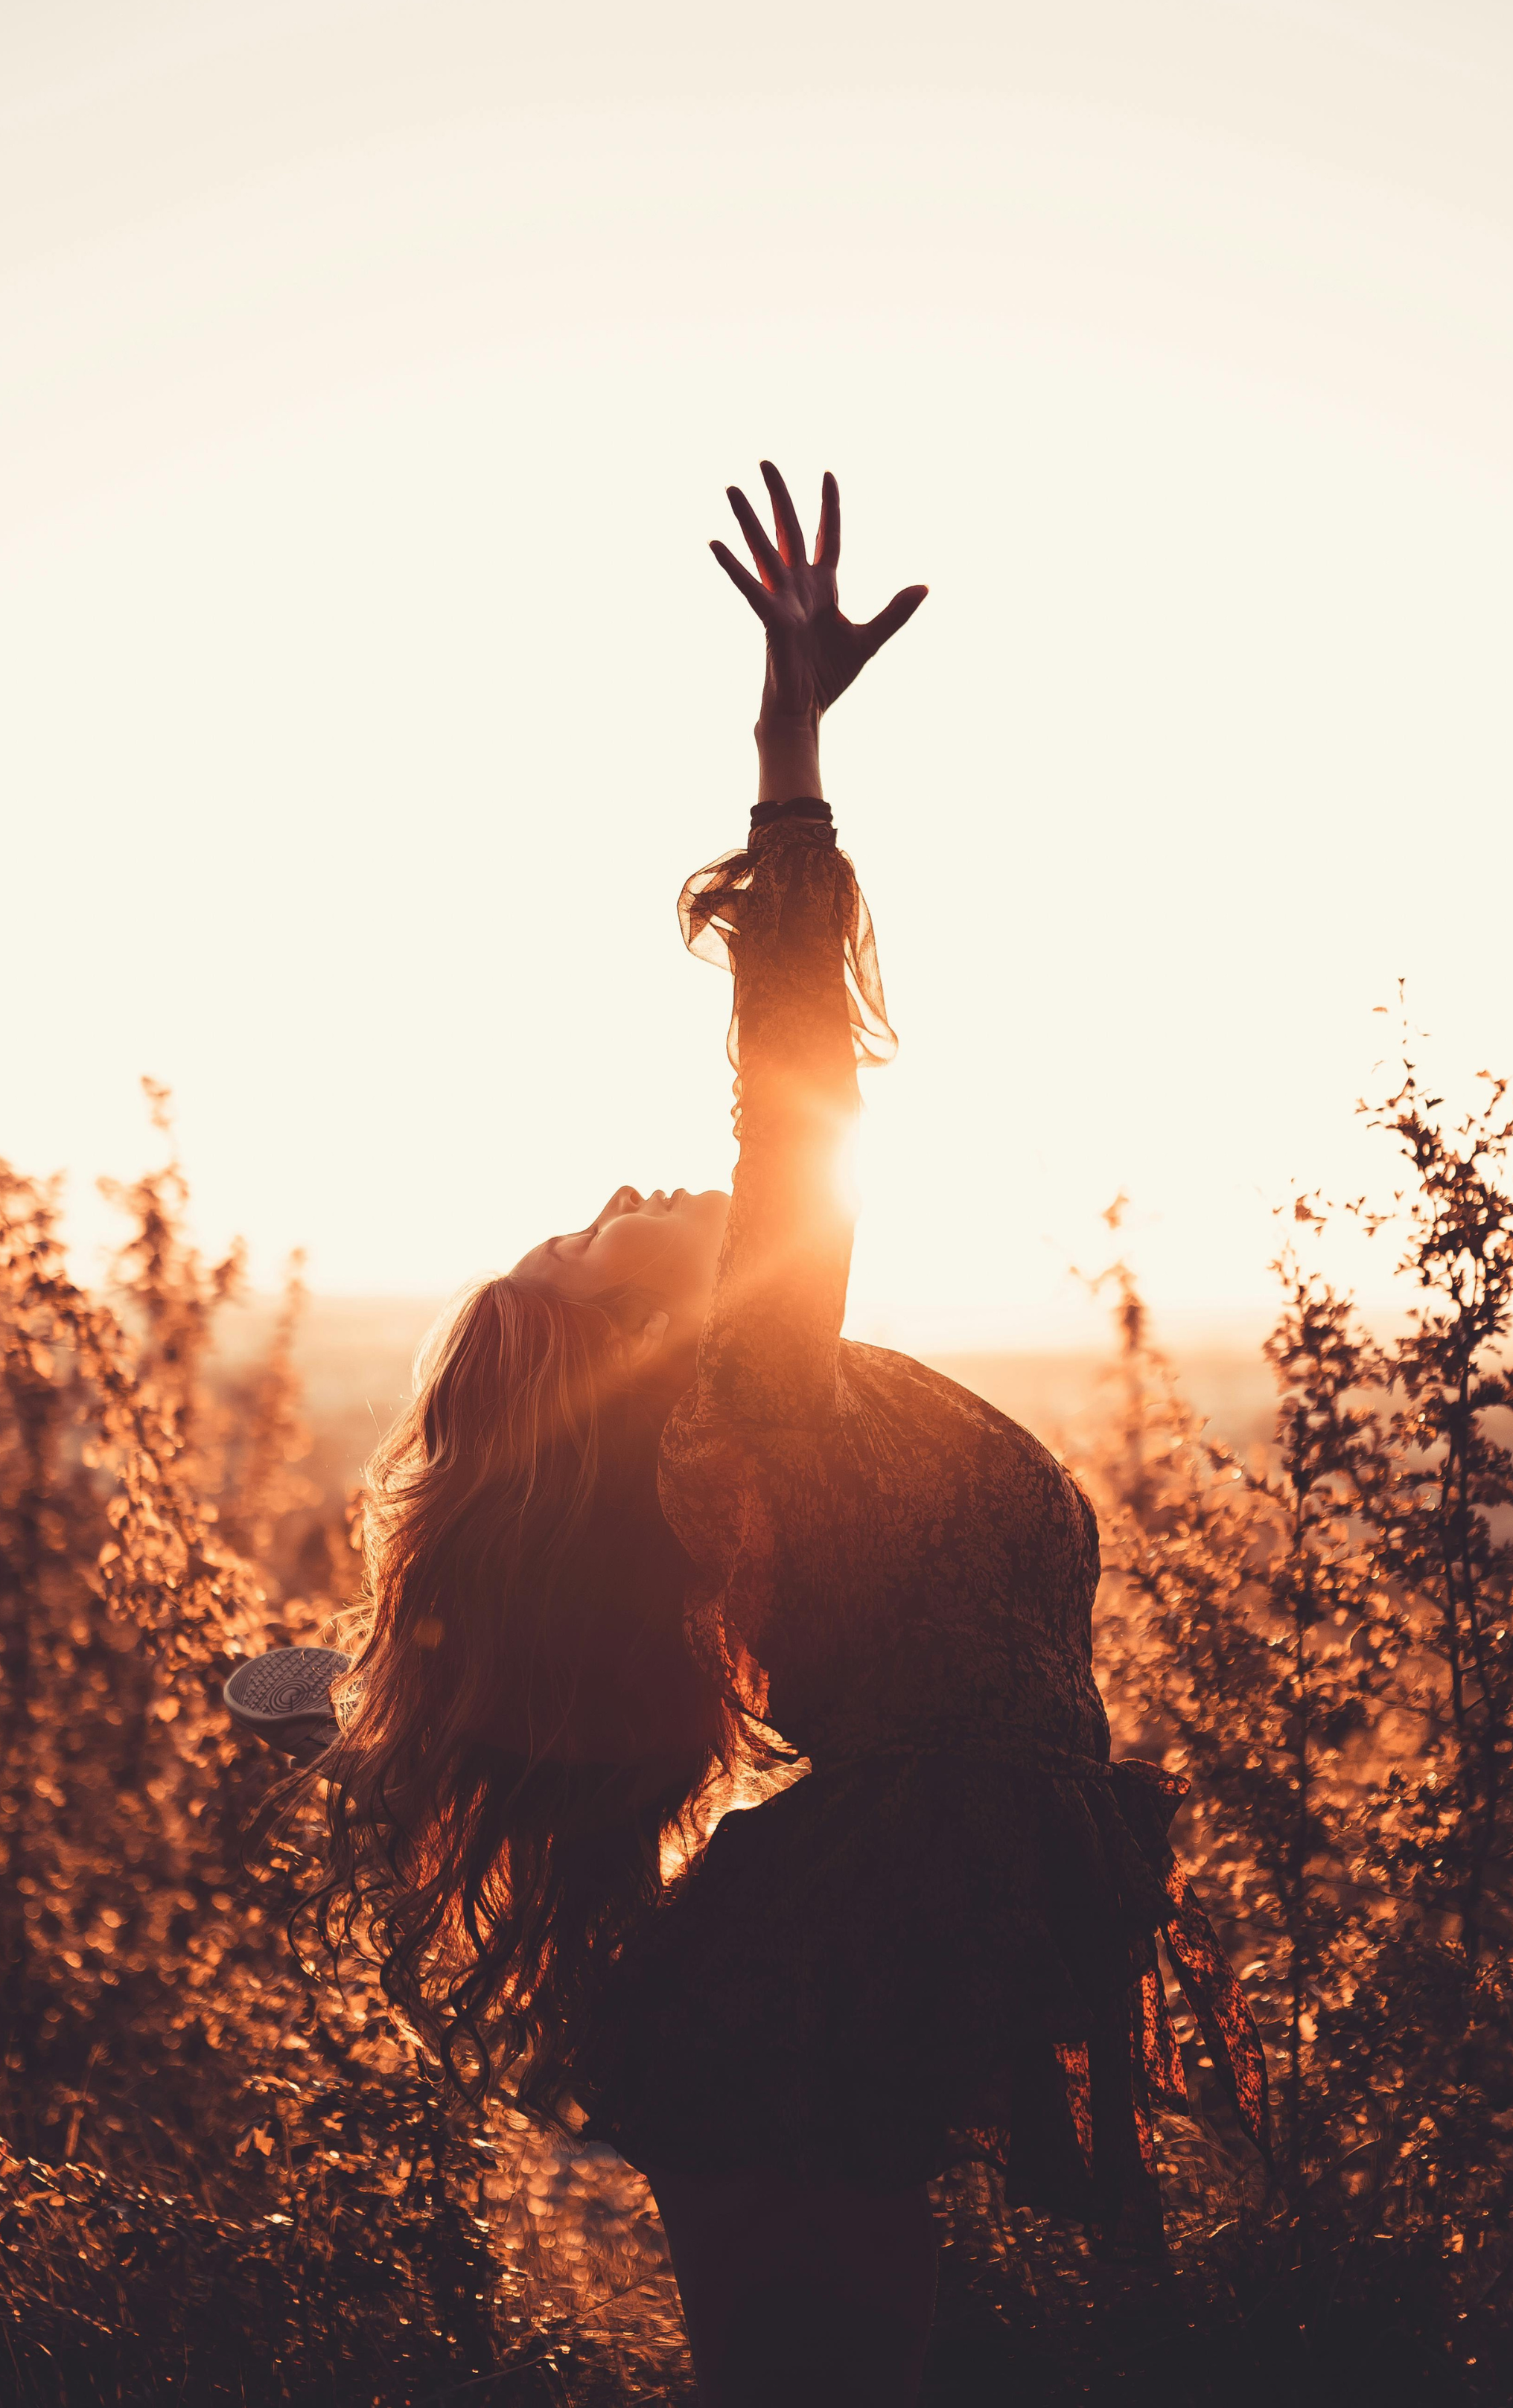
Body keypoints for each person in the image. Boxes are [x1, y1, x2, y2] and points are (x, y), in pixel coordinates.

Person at [295, 464, 1270, 2408]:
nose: (624, 1194)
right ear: (620, 1339)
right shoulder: (758, 1380)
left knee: (839, 2358)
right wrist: (787, 747)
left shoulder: (784, 1404)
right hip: (866, 1916)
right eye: (586, 1238)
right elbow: (795, 1078)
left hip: (897, 1904)